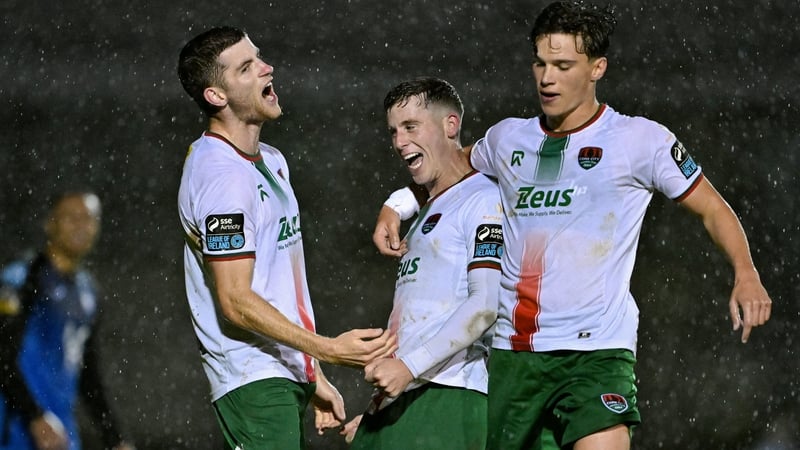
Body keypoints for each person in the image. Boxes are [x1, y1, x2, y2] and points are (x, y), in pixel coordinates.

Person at [372, 2, 773, 449]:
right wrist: (399, 204)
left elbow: (712, 208)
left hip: (596, 350)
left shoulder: (640, 140)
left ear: (597, 68)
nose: (547, 78)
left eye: (563, 65)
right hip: (514, 354)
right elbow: (451, 168)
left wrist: (746, 272)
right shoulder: (509, 138)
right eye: (540, 63)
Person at [176, 26, 397, 450]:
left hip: (280, 373)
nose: (266, 68)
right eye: (246, 67)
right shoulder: (222, 178)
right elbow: (235, 300)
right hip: (252, 378)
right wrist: (328, 349)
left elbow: (274, 288)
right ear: (216, 96)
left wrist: (311, 371)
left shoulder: (271, 161)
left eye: (258, 57)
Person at [341, 77, 503, 449]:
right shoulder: (427, 206)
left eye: (411, 127)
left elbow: (485, 304)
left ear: (450, 125)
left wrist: (409, 368)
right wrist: (380, 409)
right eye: (394, 131)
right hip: (402, 399)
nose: (399, 142)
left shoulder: (482, 200)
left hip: (446, 397)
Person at [0, 192, 134, 450]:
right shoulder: (22, 278)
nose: (81, 225)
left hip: (60, 434)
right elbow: (3, 355)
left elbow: (88, 373)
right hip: (16, 432)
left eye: (88, 218)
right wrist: (34, 416)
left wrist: (115, 437)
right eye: (71, 217)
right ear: (50, 223)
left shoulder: (89, 292)